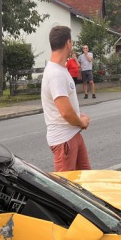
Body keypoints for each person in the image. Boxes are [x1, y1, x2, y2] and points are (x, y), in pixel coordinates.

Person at [41, 25, 91, 172]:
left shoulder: (61, 70)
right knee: (64, 189)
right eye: (72, 42)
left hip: (72, 135)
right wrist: (80, 121)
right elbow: (65, 112)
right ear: (68, 43)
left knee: (85, 180)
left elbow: (66, 106)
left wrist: (78, 115)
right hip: (64, 140)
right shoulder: (56, 73)